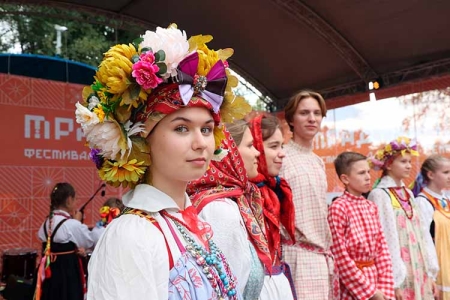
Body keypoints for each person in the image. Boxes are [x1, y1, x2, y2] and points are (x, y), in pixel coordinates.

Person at [76, 24, 251, 299]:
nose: (200, 142)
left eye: (206, 129)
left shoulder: (189, 221)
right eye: (181, 128)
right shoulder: (133, 236)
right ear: (144, 139)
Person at [187, 120, 269, 299]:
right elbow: (224, 291)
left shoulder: (232, 202)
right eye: (250, 145)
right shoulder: (218, 210)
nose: (257, 153)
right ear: (230, 154)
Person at [279, 90, 338, 299]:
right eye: (304, 113)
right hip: (295, 256)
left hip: (321, 258)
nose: (312, 118)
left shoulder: (317, 161)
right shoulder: (281, 157)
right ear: (291, 119)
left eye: (317, 113)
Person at [367, 137, 435, 300]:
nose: (409, 166)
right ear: (389, 164)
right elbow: (384, 238)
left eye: (410, 162)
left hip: (417, 266)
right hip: (400, 269)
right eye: (403, 161)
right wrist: (393, 280)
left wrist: (430, 272)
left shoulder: (408, 193)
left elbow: (422, 232)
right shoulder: (380, 194)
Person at [328, 151, 394, 300]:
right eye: (361, 173)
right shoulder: (338, 208)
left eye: (368, 172)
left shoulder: (371, 207)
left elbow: (382, 249)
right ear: (345, 178)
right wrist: (370, 292)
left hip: (376, 281)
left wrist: (383, 289)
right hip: (352, 285)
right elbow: (340, 256)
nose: (368, 177)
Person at [247, 114, 297, 299]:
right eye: (274, 146)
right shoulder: (242, 196)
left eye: (281, 146)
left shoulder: (272, 191)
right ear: (256, 147)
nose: (282, 153)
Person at [34, 182, 94, 300]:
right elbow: (88, 242)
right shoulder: (71, 224)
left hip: (49, 270)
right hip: (67, 273)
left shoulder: (46, 223)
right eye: (75, 199)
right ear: (69, 200)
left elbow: (41, 236)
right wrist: (77, 221)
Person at [412, 154, 449, 300]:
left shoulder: (446, 199)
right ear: (431, 174)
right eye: (446, 172)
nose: (449, 176)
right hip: (439, 267)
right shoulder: (422, 202)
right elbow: (423, 241)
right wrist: (430, 274)